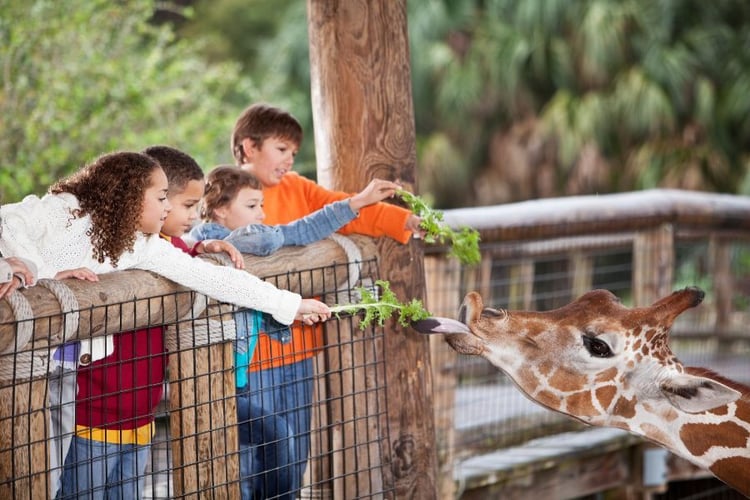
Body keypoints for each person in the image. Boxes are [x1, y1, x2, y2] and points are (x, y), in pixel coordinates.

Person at [0, 150, 330, 498]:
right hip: (35, 377)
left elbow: (213, 279)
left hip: (72, 382)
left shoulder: (143, 245)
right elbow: (6, 222)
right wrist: (36, 269)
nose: (167, 209)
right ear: (130, 195)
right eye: (160, 198)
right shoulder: (64, 208)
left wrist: (289, 304)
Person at [229, 103, 424, 492]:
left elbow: (347, 210)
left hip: (300, 348)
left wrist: (404, 220)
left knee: (294, 453)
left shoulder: (299, 188)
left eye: (293, 153)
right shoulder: (224, 190)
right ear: (249, 147)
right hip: (251, 356)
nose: (288, 160)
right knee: (252, 457)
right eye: (281, 149)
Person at [188, 165, 402, 498]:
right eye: (252, 206)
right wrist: (356, 202)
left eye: (261, 205)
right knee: (264, 452)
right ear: (219, 209)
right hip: (227, 380)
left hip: (232, 378)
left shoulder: (202, 242)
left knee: (254, 456)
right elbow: (298, 231)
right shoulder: (245, 238)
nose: (262, 213)